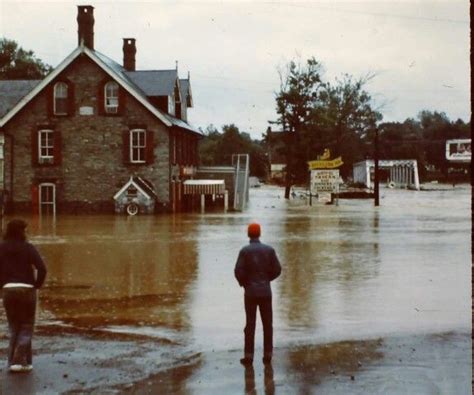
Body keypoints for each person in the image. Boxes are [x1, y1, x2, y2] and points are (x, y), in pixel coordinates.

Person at [0, 219, 47, 373]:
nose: (27, 233)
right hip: (27, 289)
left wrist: (2, 286)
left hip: (8, 290)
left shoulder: (2, 248)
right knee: (26, 326)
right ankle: (19, 361)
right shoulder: (28, 248)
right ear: (21, 232)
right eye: (25, 230)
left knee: (14, 327)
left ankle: (18, 362)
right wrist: (36, 285)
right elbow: (41, 268)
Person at [234, 222, 281, 366]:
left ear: (248, 234)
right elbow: (278, 269)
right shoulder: (269, 250)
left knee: (250, 324)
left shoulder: (244, 251)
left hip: (250, 293)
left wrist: (245, 284)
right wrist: (267, 280)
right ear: (259, 234)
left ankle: (248, 356)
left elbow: (238, 271)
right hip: (266, 292)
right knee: (268, 324)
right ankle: (268, 354)